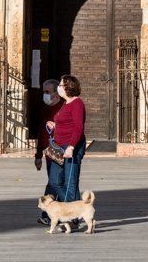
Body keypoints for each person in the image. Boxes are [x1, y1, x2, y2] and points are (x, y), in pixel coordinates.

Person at [46, 75, 87, 204]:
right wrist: (54, 125)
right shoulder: (66, 103)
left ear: (68, 87)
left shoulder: (77, 103)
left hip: (71, 147)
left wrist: (71, 147)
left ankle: (72, 215)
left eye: (61, 85)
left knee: (70, 183)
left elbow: (78, 127)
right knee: (54, 181)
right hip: (58, 147)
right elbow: (66, 123)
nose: (59, 87)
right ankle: (74, 212)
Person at [35, 79, 64, 225]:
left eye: (47, 92)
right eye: (43, 92)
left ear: (56, 93)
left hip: (62, 151)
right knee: (53, 182)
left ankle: (52, 214)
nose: (45, 95)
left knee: (55, 183)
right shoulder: (45, 109)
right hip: (49, 153)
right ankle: (51, 214)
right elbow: (41, 132)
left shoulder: (64, 107)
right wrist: (38, 155)